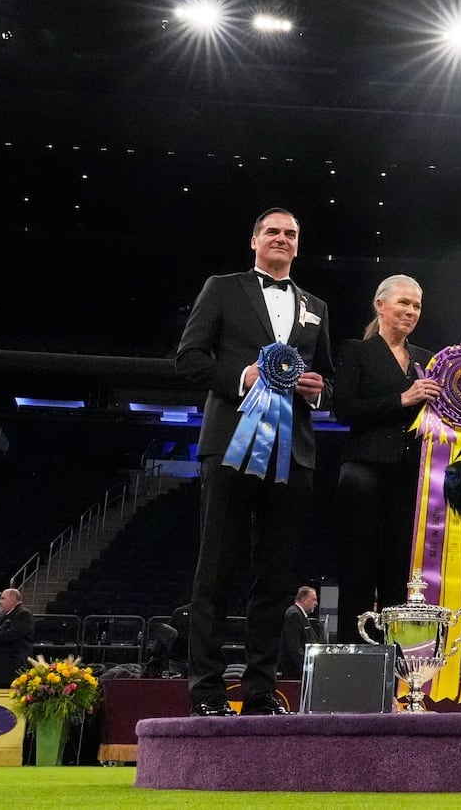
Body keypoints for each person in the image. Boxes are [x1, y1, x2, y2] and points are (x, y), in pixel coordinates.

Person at [177, 207, 333, 717]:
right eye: (273, 231)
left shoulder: (317, 306)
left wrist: (318, 390)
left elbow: (326, 378)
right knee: (215, 572)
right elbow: (190, 360)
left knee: (275, 579)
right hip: (230, 446)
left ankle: (262, 692)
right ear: (254, 240)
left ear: (298, 244)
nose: (283, 238)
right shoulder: (221, 288)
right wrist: (244, 378)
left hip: (294, 454)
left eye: (291, 233)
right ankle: (207, 691)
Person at [331, 275, 437, 641]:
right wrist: (402, 400)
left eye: (417, 305)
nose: (411, 311)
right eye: (404, 303)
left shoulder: (426, 359)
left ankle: (397, 673)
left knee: (401, 579)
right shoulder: (356, 351)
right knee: (358, 575)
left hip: (411, 481)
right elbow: (342, 409)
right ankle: (352, 663)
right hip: (363, 475)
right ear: (380, 305)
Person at [0, 587, 35, 690]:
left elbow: (11, 635)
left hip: (13, 670)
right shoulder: (7, 615)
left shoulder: (23, 614)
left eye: (2, 598)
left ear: (13, 600)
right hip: (3, 671)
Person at [279, 586, 320, 679]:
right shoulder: (294, 614)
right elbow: (294, 646)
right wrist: (305, 668)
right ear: (304, 599)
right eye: (313, 600)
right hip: (295, 672)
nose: (316, 603)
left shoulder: (299, 614)